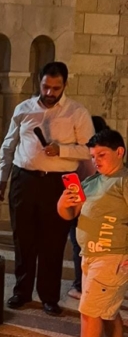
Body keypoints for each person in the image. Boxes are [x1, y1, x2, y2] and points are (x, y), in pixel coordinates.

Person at [0, 62, 94, 316]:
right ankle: (22, 291)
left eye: (56, 88)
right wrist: (2, 178)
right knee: (23, 237)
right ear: (38, 82)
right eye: (46, 87)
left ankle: (49, 296)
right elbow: (9, 144)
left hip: (58, 183)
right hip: (23, 179)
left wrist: (62, 149)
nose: (50, 93)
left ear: (65, 86)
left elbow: (89, 149)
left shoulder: (77, 112)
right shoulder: (23, 109)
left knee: (53, 240)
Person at [50, 129, 128, 337]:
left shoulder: (123, 181)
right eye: (93, 156)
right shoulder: (92, 181)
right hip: (91, 255)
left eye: (102, 154)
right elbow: (70, 214)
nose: (96, 160)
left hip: (112, 256)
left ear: (120, 152)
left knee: (90, 311)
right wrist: (63, 202)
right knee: (107, 310)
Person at [67, 115, 109, 300]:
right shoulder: (107, 153)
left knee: (79, 244)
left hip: (84, 202)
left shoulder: (84, 152)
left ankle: (81, 285)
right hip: (99, 203)